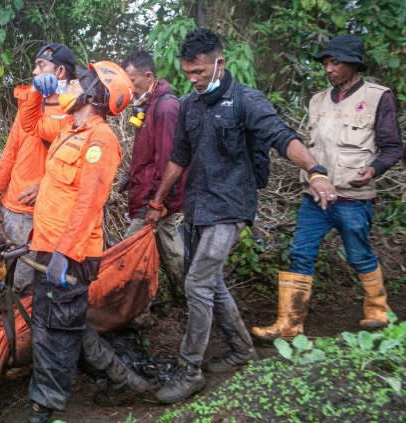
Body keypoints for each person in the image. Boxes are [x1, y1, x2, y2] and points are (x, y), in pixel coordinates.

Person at [144, 29, 337, 404]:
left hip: (231, 207)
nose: (194, 79)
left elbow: (283, 137)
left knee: (196, 284)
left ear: (220, 63)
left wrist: (315, 170)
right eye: (188, 74)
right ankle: (242, 349)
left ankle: (190, 371)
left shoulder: (247, 101)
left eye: (199, 71)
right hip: (198, 207)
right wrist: (158, 201)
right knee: (211, 282)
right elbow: (178, 157)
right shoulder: (189, 105)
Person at [252, 35, 404, 340]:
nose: (328, 69)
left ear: (353, 64)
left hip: (353, 197)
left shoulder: (378, 97)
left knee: (358, 254)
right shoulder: (317, 100)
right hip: (315, 195)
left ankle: (377, 310)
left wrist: (374, 169)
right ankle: (289, 324)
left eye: (335, 62)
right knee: (300, 253)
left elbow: (393, 147)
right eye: (325, 63)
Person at [16, 61, 137, 423]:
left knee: (54, 334)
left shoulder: (100, 140)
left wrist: (63, 254)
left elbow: (89, 203)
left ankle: (44, 413)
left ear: (95, 94)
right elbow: (31, 125)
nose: (69, 84)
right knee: (62, 325)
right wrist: (37, 90)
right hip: (49, 249)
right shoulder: (69, 128)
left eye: (79, 81)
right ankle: (122, 379)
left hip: (70, 255)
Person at [0, 43, 76, 294]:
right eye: (35, 65)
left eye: (41, 66)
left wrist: (45, 187)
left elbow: (77, 171)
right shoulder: (29, 106)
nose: (34, 72)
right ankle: (6, 275)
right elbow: (10, 153)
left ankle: (18, 321)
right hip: (6, 205)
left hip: (33, 216)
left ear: (60, 73)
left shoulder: (75, 116)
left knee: (24, 288)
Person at [121, 50, 187, 300]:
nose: (130, 89)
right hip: (149, 192)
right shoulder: (147, 106)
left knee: (130, 251)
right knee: (169, 246)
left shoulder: (166, 107)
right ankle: (185, 296)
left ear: (148, 76)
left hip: (155, 196)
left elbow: (170, 161)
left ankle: (137, 308)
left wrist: (157, 203)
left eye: (133, 82)